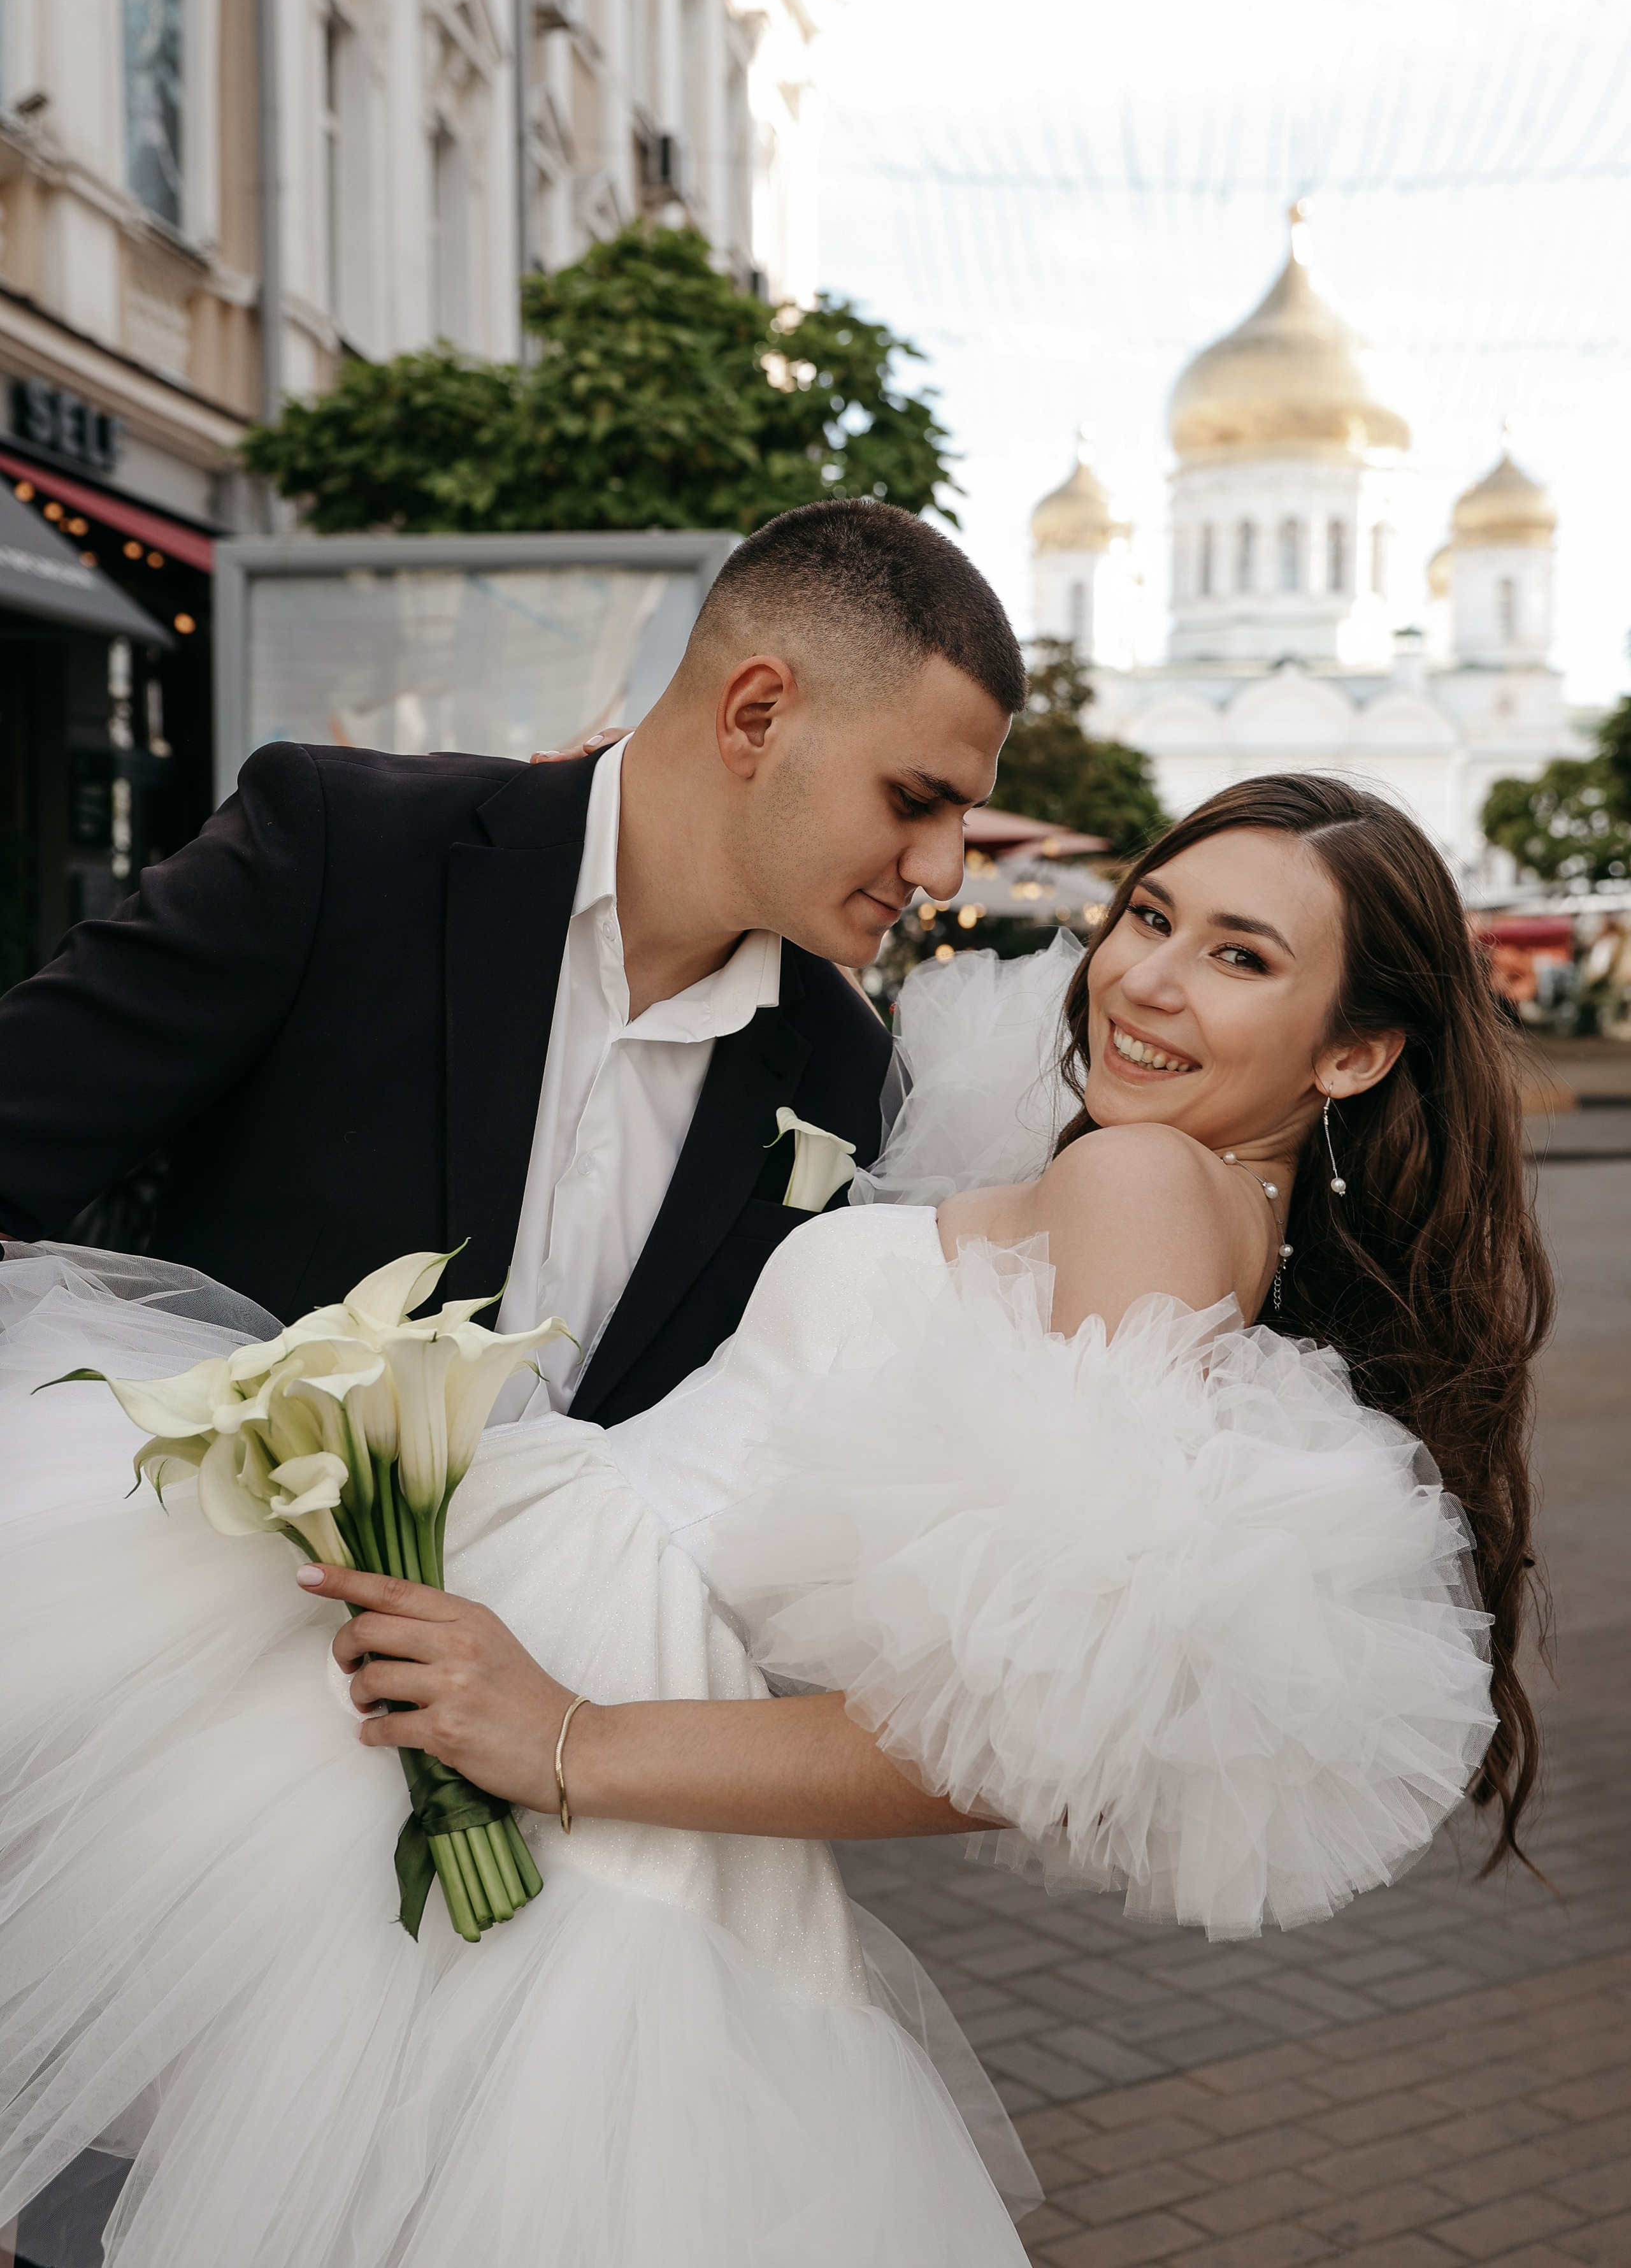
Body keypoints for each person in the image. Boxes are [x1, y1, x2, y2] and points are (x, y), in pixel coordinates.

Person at [0, 774, 1548, 2268]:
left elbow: (1038, 1732)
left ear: (1350, 1056)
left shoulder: (1141, 1179)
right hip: (575, 1616)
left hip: (585, 1656)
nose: (1143, 980)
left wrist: (566, 1737)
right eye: (1147, 915)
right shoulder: (1186, 1198)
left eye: (1239, 957)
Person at [0, 498, 1023, 1422]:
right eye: (914, 798)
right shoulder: (339, 852)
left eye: (963, 816)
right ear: (755, 715)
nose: (943, 871)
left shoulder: (848, 1079)